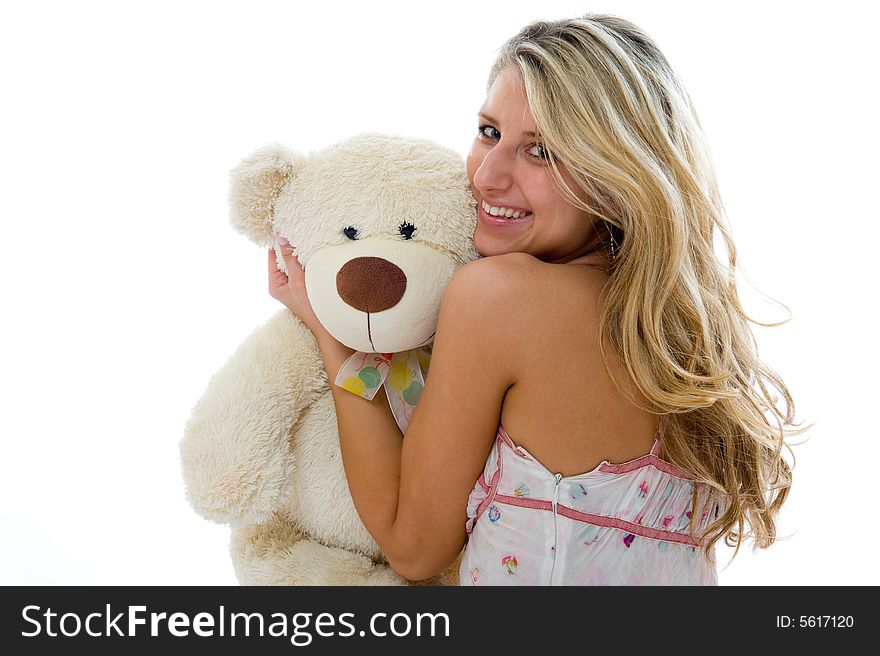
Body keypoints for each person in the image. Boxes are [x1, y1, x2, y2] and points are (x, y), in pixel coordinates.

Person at [268, 14, 801, 585]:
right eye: (489, 132)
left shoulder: (500, 298)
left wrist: (334, 338)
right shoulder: (685, 329)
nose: (488, 175)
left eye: (541, 151)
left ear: (617, 175)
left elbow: (413, 547)